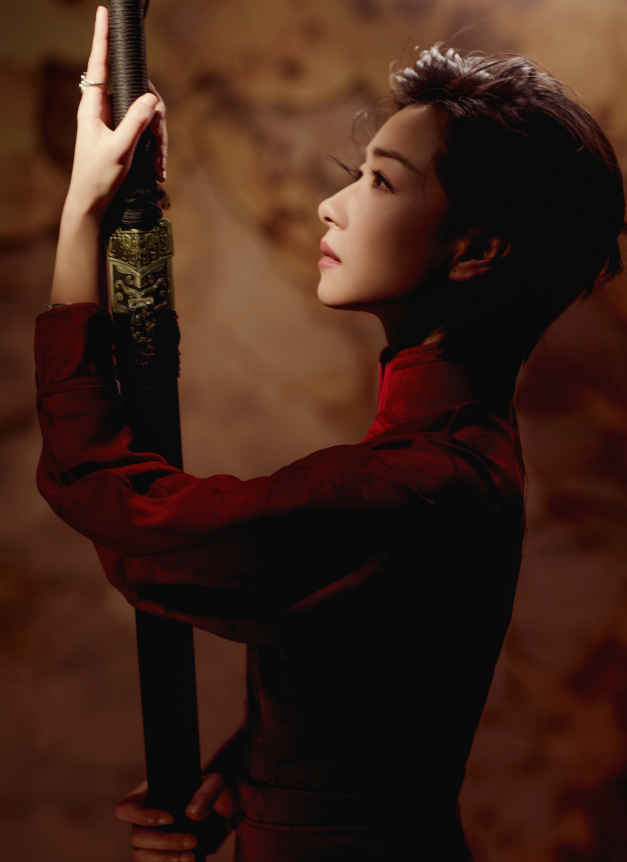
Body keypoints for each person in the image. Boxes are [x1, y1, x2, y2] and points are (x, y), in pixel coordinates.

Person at [35, 6, 625, 861]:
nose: (331, 204)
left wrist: (83, 213)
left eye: (381, 183)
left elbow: (134, 521)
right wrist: (253, 780)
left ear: (477, 251)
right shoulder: (464, 449)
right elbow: (373, 683)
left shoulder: (415, 486)